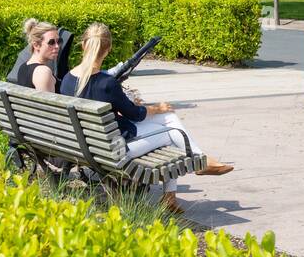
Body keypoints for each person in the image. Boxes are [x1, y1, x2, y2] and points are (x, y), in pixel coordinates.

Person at [60, 22, 233, 213]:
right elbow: (135, 114)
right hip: (117, 150)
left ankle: (176, 190)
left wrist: (148, 109)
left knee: (168, 121)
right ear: (108, 49)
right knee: (173, 132)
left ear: (83, 45)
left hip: (88, 146)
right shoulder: (107, 83)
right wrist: (155, 108)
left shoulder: (67, 79)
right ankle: (198, 162)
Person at [17, 18, 60, 93]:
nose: (57, 46)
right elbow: (48, 103)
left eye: (58, 41)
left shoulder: (23, 67)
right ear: (36, 45)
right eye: (51, 42)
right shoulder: (43, 72)